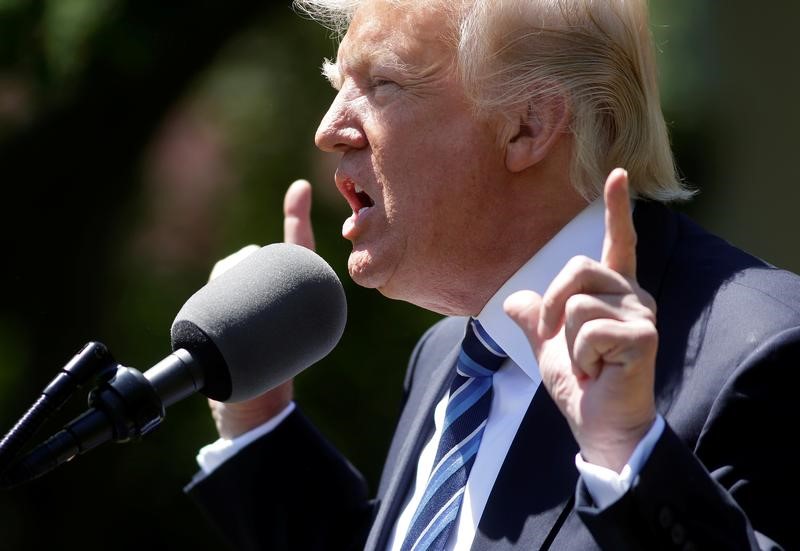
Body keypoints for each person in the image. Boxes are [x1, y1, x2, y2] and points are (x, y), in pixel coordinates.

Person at [184, 0, 800, 549]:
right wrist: (258, 423)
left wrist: (631, 454)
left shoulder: (763, 349)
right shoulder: (451, 351)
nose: (329, 129)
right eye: (338, 84)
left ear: (528, 124)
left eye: (382, 83)